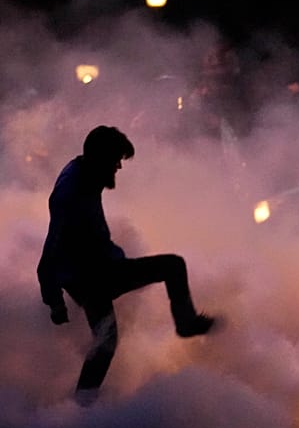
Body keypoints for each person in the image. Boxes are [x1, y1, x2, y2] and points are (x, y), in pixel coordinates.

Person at [37, 125, 217, 405]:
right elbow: (50, 253)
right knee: (173, 266)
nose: (118, 167)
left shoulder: (84, 175)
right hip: (92, 275)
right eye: (115, 160)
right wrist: (54, 301)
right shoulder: (70, 194)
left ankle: (81, 406)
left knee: (106, 342)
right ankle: (187, 324)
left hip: (95, 270)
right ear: (99, 159)